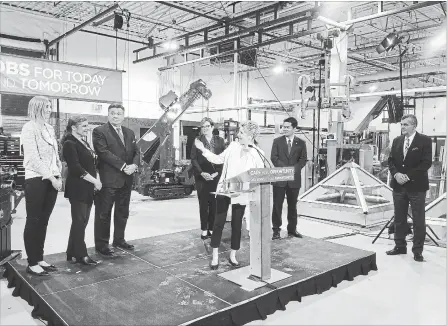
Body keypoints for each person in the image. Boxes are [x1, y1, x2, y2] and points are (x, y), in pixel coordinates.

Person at [194, 120, 266, 269]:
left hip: (241, 193)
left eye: (241, 133)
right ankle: (215, 257)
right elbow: (219, 159)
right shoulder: (233, 146)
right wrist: (203, 150)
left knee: (237, 225)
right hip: (224, 190)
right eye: (239, 132)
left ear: (250, 135)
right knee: (218, 223)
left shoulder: (258, 153)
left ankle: (233, 255)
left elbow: (261, 174)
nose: (237, 135)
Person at [20, 96, 62, 276]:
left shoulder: (49, 128)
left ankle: (40, 258)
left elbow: (54, 154)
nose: (48, 110)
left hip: (52, 177)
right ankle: (31, 262)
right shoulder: (29, 128)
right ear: (36, 108)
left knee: (44, 221)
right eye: (45, 107)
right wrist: (52, 178)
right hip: (36, 179)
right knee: (33, 220)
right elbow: (33, 158)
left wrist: (58, 171)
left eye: (49, 107)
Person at [93, 104, 140, 257]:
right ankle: (102, 245)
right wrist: (123, 166)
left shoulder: (130, 133)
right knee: (103, 213)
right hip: (109, 180)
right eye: (112, 113)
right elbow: (103, 152)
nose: (115, 116)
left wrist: (134, 165)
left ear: (123, 116)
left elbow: (137, 152)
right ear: (108, 114)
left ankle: (119, 240)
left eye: (119, 113)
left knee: (122, 212)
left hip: (126, 179)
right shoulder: (99, 131)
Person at [386, 114, 432, 262]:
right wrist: (396, 174)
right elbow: (391, 161)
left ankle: (417, 251)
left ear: (414, 125)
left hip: (416, 187)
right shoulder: (397, 140)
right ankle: (400, 246)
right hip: (399, 186)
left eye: (405, 124)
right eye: (401, 124)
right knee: (399, 218)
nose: (402, 127)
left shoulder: (424, 140)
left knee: (418, 219)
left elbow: (426, 163)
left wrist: (407, 176)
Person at [62, 117, 102, 265]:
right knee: (79, 221)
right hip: (78, 188)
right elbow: (76, 168)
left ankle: (71, 251)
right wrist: (95, 181)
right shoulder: (69, 143)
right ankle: (81, 255)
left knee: (82, 222)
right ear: (73, 127)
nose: (87, 128)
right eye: (84, 126)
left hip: (87, 188)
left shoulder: (83, 142)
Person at [270, 117, 307, 240]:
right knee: (277, 206)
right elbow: (274, 158)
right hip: (280, 178)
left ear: (294, 128)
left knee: (292, 206)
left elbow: (302, 160)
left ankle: (292, 229)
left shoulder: (301, 143)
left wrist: (292, 170)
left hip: (294, 180)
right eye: (283, 127)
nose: (284, 129)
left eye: (287, 127)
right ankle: (276, 230)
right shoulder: (277, 141)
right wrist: (286, 169)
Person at [190, 117, 225, 240]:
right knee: (204, 204)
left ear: (212, 127)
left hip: (216, 176)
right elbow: (193, 159)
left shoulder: (220, 141)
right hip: (202, 177)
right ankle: (204, 229)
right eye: (202, 127)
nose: (204, 129)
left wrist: (217, 174)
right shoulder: (197, 140)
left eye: (207, 126)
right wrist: (201, 173)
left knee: (214, 203)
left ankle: (212, 228)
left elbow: (223, 159)